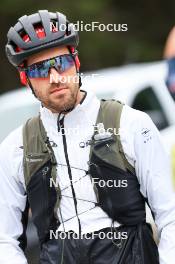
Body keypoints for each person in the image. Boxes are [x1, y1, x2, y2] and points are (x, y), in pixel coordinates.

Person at [1, 10, 175, 264]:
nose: (55, 77)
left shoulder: (133, 124)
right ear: (24, 77)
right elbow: (5, 240)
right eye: (39, 70)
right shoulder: (13, 148)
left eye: (61, 63)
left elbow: (170, 216)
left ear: (77, 62)